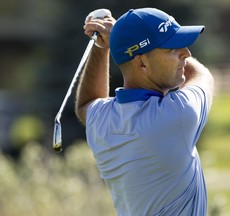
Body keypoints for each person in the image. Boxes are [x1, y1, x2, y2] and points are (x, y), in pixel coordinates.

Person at [75, 7, 214, 216]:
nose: (186, 53)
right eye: (171, 48)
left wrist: (102, 47)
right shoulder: (178, 114)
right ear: (141, 63)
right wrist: (113, 41)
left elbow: (87, 103)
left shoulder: (102, 119)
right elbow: (202, 75)